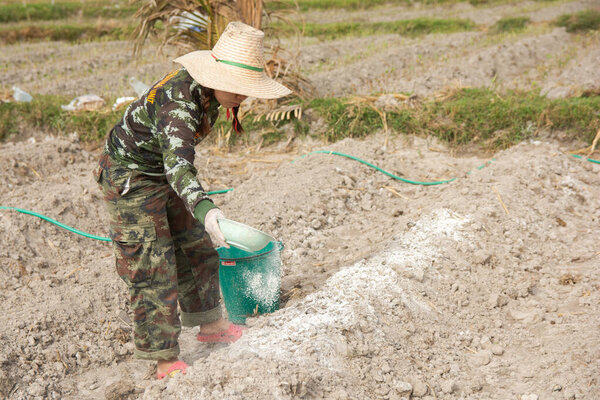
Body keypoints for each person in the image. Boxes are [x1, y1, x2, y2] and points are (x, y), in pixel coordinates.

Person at [93, 21, 291, 379]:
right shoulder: (179, 106)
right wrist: (206, 208)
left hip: (164, 170)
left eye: (245, 88)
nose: (241, 95)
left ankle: (210, 325)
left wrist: (201, 214)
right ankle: (164, 358)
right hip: (131, 176)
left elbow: (176, 165)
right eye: (236, 87)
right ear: (215, 76)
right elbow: (179, 165)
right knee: (153, 263)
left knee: (196, 246)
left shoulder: (209, 93)